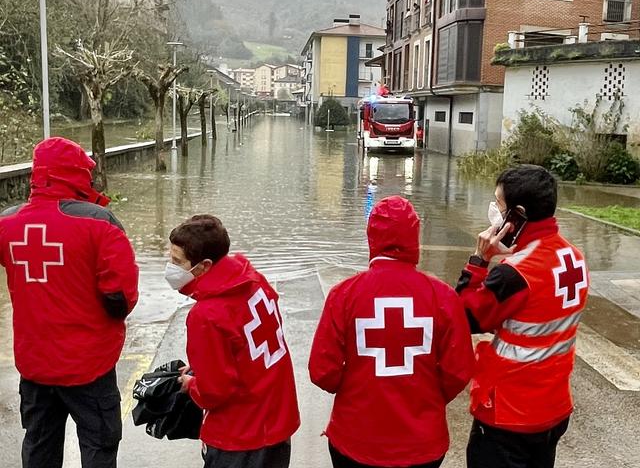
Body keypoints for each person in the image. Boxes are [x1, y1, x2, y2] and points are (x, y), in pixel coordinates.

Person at [0, 137, 139, 468]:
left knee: (39, 444)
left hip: (34, 364)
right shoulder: (99, 222)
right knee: (98, 445)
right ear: (78, 174)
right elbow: (120, 297)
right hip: (88, 364)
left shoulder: (6, 223)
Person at [309, 196, 475, 468]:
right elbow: (459, 370)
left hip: (356, 437)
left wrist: (356, 389)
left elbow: (322, 370)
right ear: (415, 237)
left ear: (371, 237)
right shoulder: (443, 297)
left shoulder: (344, 295)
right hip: (423, 443)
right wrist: (428, 397)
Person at [456, 165, 589, 468]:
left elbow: (465, 316)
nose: (494, 211)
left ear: (517, 215)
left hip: (510, 416)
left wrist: (479, 261)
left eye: (499, 205)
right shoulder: (574, 258)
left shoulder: (514, 274)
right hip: (554, 409)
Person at [166, 215, 300, 468]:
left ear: (204, 266)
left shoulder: (206, 315)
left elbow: (214, 391)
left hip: (240, 433)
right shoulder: (251, 279)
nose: (170, 267)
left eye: (177, 261)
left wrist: (192, 383)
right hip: (277, 419)